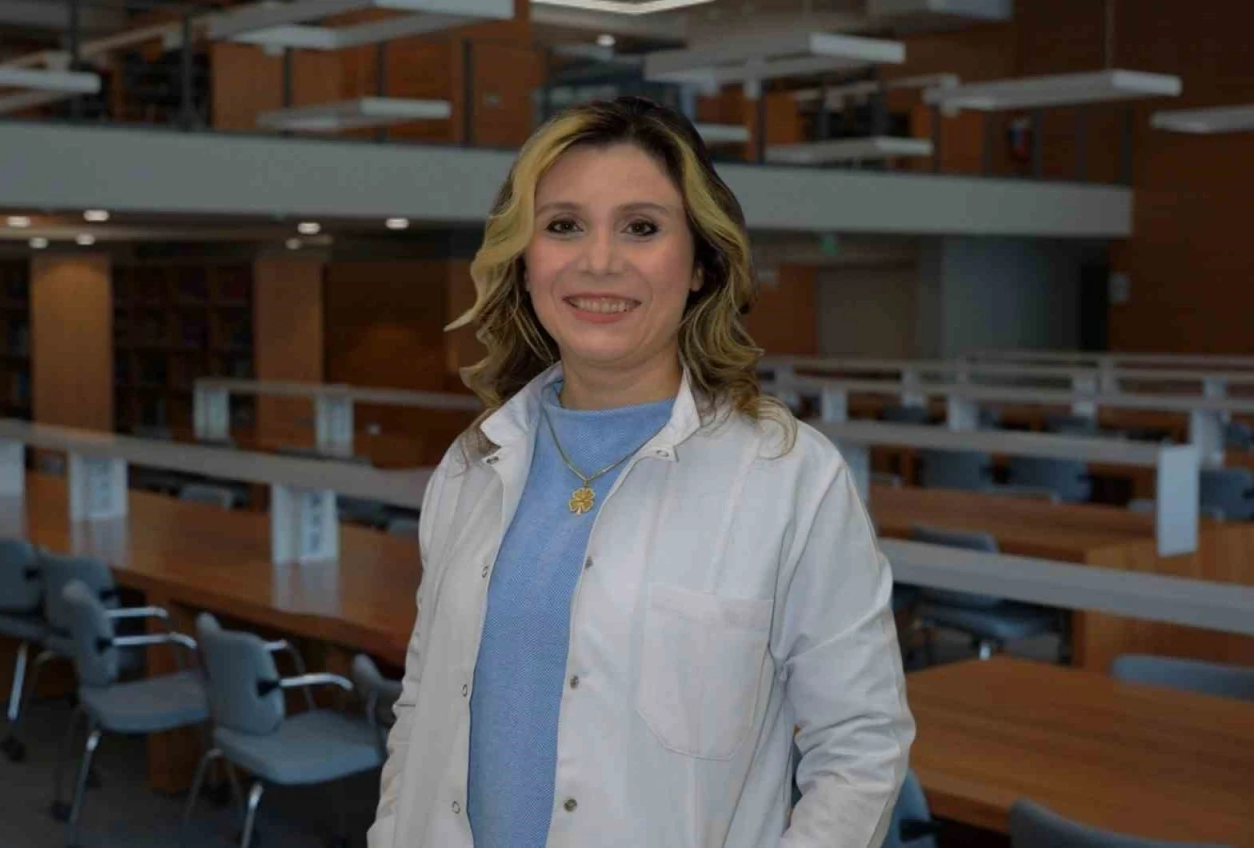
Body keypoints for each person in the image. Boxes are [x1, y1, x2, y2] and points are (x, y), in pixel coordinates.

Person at [367, 96, 914, 848]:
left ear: (700, 266)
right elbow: (423, 704)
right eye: (563, 226)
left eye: (642, 228)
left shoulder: (790, 477)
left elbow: (861, 747)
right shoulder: (473, 466)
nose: (599, 261)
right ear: (524, 261)